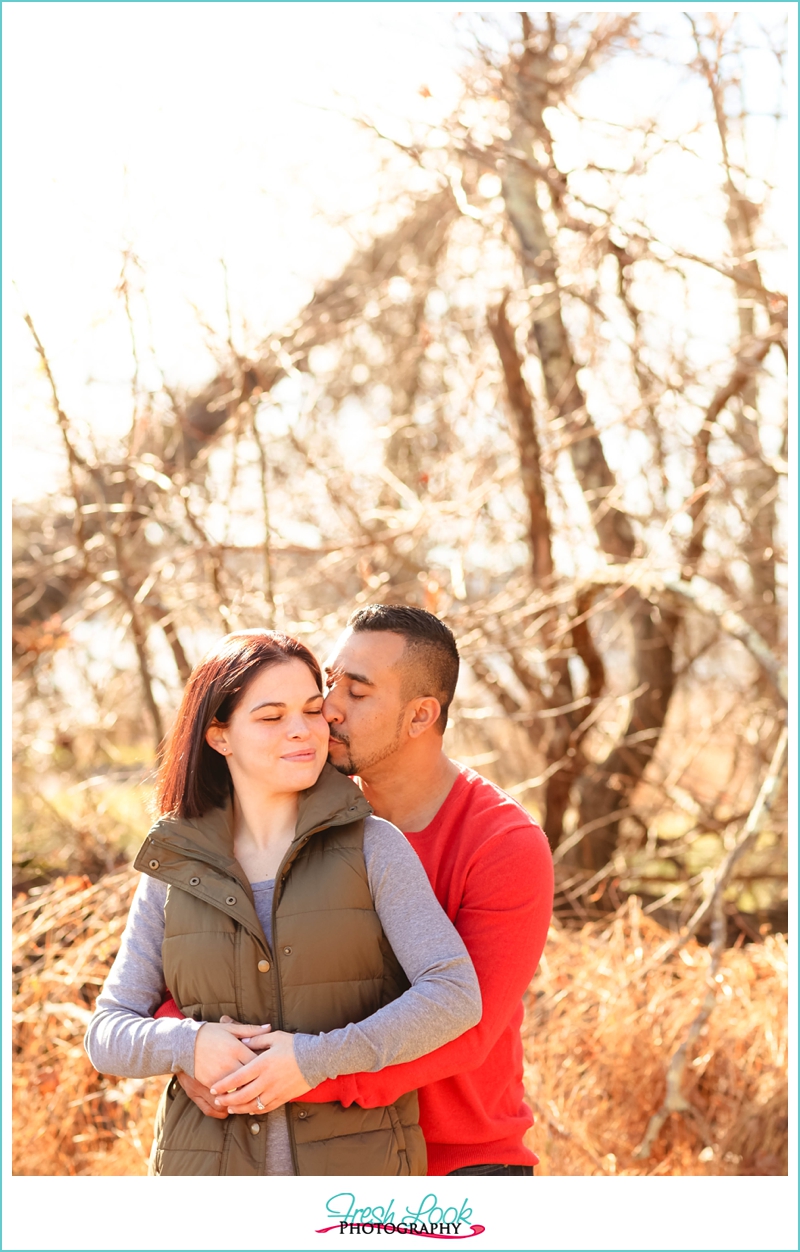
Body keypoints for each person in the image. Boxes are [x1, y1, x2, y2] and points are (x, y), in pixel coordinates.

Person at [85, 629, 482, 1176]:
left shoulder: (374, 846)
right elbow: (107, 1033)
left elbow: (455, 995)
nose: (302, 731)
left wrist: (313, 1060)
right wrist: (189, 1044)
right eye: (271, 717)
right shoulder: (175, 867)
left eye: (313, 710)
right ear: (219, 736)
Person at [177, 606, 554, 1176]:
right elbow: (191, 954)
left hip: (458, 1164)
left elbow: (469, 1032)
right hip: (328, 1154)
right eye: (331, 683)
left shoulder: (503, 844)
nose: (328, 709)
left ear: (420, 715)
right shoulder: (299, 809)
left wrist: (299, 1074)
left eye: (357, 692)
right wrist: (192, 1052)